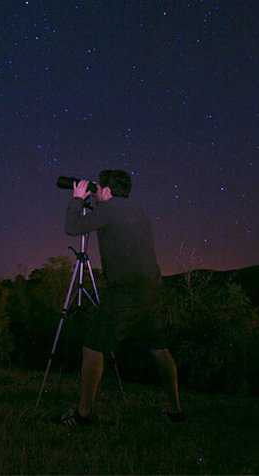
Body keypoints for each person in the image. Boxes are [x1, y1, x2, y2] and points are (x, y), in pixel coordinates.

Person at [54, 169, 182, 426]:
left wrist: (78, 198)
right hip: (151, 288)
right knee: (159, 348)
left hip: (126, 291)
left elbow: (72, 228)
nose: (96, 189)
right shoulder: (138, 210)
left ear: (109, 190)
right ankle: (175, 410)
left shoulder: (109, 209)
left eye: (99, 187)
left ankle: (82, 415)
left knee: (93, 346)